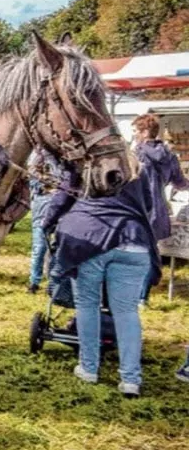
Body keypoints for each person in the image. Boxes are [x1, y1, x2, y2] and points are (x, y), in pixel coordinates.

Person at [44, 156, 156, 398]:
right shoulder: (137, 167)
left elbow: (62, 198)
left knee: (87, 305)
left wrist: (48, 222)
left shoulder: (83, 165)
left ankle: (89, 367)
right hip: (133, 240)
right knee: (126, 312)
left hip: (90, 239)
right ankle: (130, 379)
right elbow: (149, 204)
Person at [132, 114, 189, 303]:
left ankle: (138, 296)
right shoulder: (169, 155)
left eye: (135, 131)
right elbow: (180, 183)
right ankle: (143, 295)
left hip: (138, 209)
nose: (134, 135)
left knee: (137, 254)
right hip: (159, 211)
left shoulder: (137, 154)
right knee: (149, 252)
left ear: (145, 132)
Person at [27, 149, 63, 294]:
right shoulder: (38, 155)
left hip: (62, 204)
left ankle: (53, 283)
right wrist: (49, 186)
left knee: (59, 246)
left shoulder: (64, 157)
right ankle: (34, 282)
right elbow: (32, 178)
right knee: (40, 246)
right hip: (43, 204)